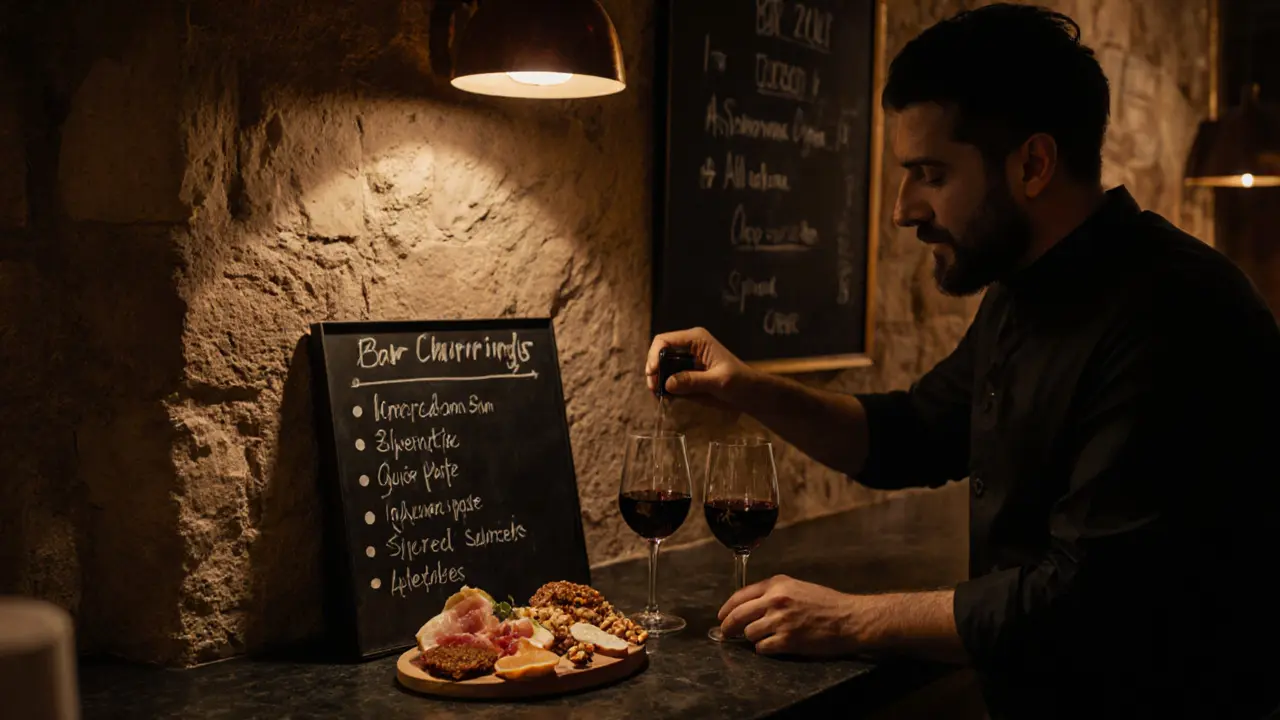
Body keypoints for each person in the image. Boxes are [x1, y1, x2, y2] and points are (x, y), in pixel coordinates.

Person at [646, 4, 1280, 718]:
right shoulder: (1026, 288)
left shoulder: (1175, 314)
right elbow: (914, 431)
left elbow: (1081, 600)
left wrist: (848, 619)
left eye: (931, 174)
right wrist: (747, 388)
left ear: (1034, 164)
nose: (902, 210)